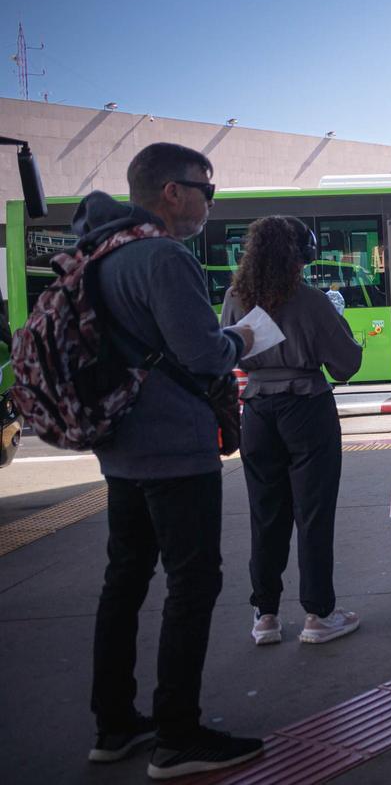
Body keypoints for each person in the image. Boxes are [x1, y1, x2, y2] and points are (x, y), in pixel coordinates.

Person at [80, 143, 263, 777]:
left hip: (122, 446)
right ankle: (177, 734)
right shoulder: (164, 258)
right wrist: (240, 336)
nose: (210, 204)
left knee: (124, 580)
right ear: (171, 192)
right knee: (194, 583)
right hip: (175, 452)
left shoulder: (102, 257)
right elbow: (203, 354)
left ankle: (115, 724)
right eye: (206, 191)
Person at [221, 216, 364, 646]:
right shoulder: (311, 300)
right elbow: (346, 364)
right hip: (307, 410)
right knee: (314, 515)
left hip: (258, 413)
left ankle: (265, 615)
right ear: (302, 255)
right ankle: (318, 615)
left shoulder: (235, 297)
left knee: (266, 514)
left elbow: (227, 351)